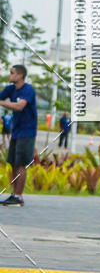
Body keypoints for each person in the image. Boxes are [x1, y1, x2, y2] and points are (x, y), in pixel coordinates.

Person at [0, 65, 37, 206]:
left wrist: (1, 103)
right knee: (13, 163)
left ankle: (19, 197)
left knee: (21, 164)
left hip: (27, 132)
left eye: (12, 73)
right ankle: (13, 195)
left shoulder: (28, 90)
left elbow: (19, 106)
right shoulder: (10, 89)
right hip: (16, 132)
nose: (9, 75)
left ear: (20, 76)